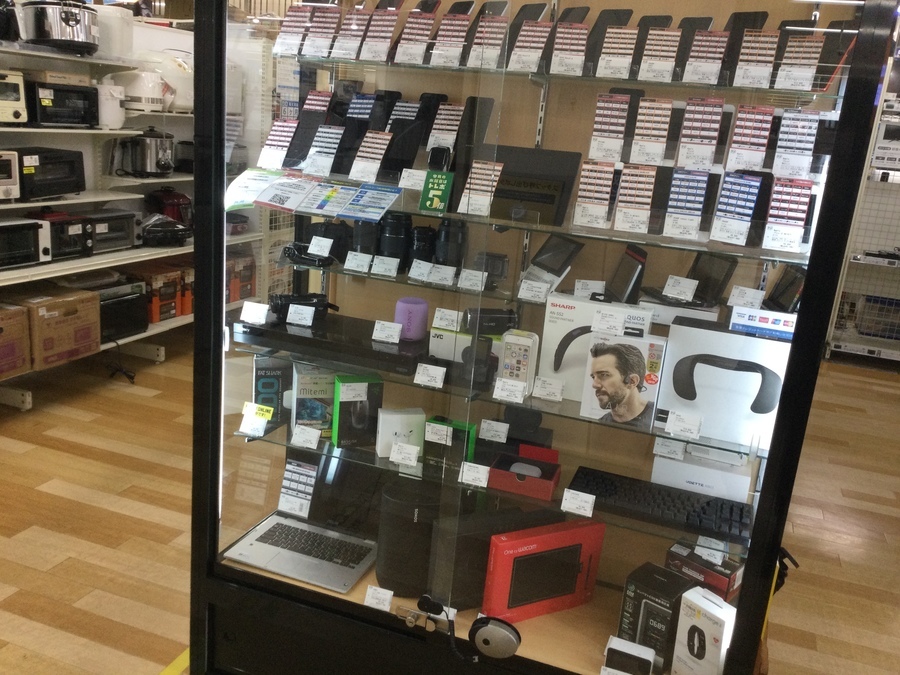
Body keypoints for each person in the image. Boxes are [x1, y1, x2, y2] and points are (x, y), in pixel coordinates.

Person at [588, 342, 653, 429]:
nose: (594, 385)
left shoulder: (659, 420)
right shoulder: (601, 425)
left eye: (604, 375)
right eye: (593, 377)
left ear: (632, 381)